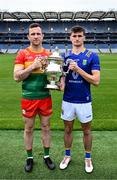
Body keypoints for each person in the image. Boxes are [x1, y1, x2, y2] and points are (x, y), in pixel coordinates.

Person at [14, 23, 55, 172]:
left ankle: (46, 156)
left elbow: (53, 77)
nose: (36, 36)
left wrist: (58, 81)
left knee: (46, 127)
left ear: (43, 36)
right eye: (33, 34)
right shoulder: (22, 54)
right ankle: (30, 158)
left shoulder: (50, 55)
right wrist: (33, 66)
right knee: (29, 128)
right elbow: (16, 77)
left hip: (45, 97)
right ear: (28, 36)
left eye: (38, 33)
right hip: (28, 97)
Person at [59, 26, 100, 173]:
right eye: (74, 36)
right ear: (70, 38)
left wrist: (79, 70)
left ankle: (88, 158)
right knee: (68, 129)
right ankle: (67, 155)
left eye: (79, 36)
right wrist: (60, 84)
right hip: (68, 100)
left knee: (87, 130)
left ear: (84, 38)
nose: (77, 38)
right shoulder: (64, 55)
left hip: (84, 100)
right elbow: (62, 77)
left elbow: (96, 81)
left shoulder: (92, 55)